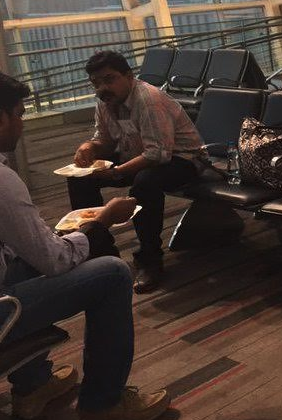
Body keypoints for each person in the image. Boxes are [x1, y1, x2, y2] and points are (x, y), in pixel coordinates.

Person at [0, 73, 170, 420]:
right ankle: (102, 405)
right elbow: (56, 261)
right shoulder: (2, 181)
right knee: (111, 274)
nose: (22, 122)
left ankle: (33, 386)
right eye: (17, 113)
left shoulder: (149, 100)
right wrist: (99, 223)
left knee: (23, 260)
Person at [67, 51, 204, 293]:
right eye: (96, 83)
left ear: (128, 76)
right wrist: (89, 146)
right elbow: (105, 139)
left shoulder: (149, 100)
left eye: (109, 79)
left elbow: (159, 153)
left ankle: (150, 260)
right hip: (135, 155)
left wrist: (118, 171)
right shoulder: (105, 101)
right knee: (80, 178)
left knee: (145, 183)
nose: (102, 88)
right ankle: (99, 248)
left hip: (183, 159)